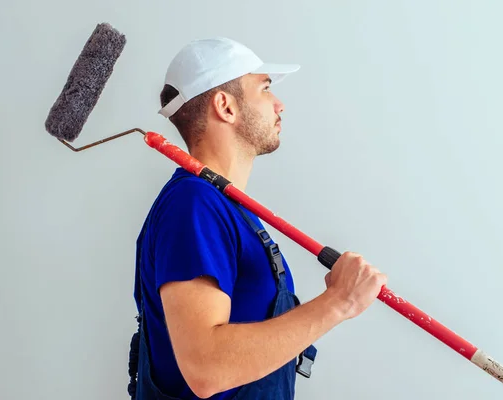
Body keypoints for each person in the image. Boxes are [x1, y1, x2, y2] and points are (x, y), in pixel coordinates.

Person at [128, 37, 387, 400]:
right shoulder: (194, 204)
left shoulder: (227, 208)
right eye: (265, 89)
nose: (279, 104)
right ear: (226, 106)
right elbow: (206, 367)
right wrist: (339, 301)